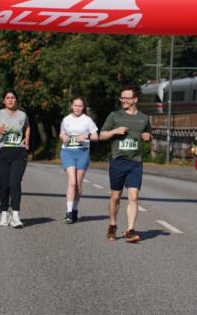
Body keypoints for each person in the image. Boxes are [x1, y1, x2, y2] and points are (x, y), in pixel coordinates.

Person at [99, 85, 151, 243]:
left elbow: (147, 133)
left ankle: (130, 230)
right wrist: (114, 132)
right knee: (116, 197)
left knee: (133, 197)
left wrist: (148, 137)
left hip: (135, 163)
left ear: (135, 99)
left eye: (127, 98)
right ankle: (112, 225)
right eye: (122, 98)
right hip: (118, 161)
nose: (124, 100)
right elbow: (101, 135)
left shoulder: (144, 118)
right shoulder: (115, 116)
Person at [0, 91, 30, 228]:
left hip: (19, 152)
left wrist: (26, 140)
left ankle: (16, 215)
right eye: (8, 98)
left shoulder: (22, 115)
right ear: (4, 101)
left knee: (14, 183)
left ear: (16, 100)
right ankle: (4, 213)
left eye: (13, 98)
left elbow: (27, 127)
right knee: (4, 185)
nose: (10, 100)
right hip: (3, 152)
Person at [59, 97, 99, 224]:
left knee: (78, 185)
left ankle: (75, 209)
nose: (77, 108)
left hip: (82, 153)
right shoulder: (66, 119)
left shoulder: (87, 120)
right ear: (71, 106)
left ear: (83, 107)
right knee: (71, 182)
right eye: (75, 105)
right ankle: (69, 212)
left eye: (80, 106)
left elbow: (96, 137)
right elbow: (62, 133)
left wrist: (86, 136)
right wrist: (63, 137)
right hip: (68, 152)